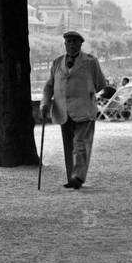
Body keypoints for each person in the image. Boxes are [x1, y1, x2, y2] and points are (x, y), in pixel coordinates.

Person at [41, 31, 107, 189]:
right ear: (64, 44)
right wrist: (44, 103)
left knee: (80, 144)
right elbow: (49, 86)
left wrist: (86, 93)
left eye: (74, 41)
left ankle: (78, 177)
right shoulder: (57, 62)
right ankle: (72, 177)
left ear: (80, 44)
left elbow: (100, 83)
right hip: (63, 110)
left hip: (84, 109)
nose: (71, 44)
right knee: (68, 146)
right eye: (68, 41)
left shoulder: (91, 62)